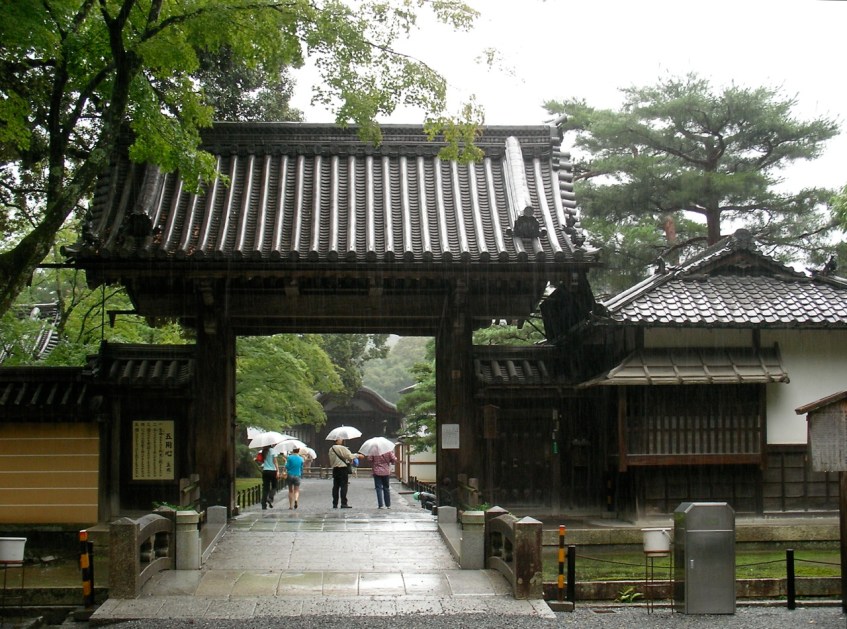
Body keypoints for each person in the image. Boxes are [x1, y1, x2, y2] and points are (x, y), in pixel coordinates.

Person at [328, 438, 357, 509]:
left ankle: (335, 503)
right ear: (337, 440)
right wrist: (357, 455)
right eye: (340, 439)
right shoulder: (341, 448)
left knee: (335, 487)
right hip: (342, 468)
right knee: (344, 486)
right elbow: (349, 456)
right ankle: (344, 503)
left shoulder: (331, 449)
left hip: (335, 469)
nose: (342, 440)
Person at [259, 444, 280, 510]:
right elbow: (275, 461)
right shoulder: (273, 451)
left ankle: (263, 505)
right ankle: (270, 497)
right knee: (274, 486)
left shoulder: (263, 451)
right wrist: (278, 470)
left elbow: (261, 461)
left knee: (265, 488)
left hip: (265, 470)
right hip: (272, 471)